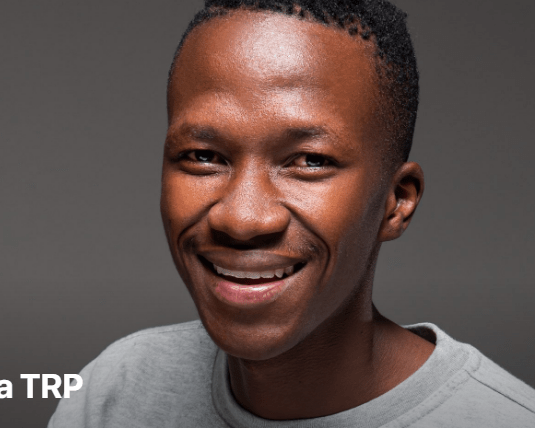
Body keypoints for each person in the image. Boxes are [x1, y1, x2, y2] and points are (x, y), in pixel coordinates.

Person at [48, 1, 535, 426]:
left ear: (397, 201)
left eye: (310, 161)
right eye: (203, 156)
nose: (241, 219)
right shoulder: (114, 394)